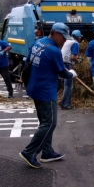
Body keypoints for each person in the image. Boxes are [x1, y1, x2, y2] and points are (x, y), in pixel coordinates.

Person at [19, 23, 77, 169]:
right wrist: (71, 74)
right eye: (63, 37)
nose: (64, 41)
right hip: (46, 91)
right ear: (56, 33)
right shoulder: (53, 51)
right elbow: (63, 73)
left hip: (34, 88)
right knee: (50, 123)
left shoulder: (38, 43)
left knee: (45, 122)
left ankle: (47, 152)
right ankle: (29, 152)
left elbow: (28, 62)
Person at [60, 30, 82, 110]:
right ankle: (65, 104)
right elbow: (73, 57)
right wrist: (78, 60)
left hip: (62, 63)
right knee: (68, 85)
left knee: (65, 84)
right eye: (80, 36)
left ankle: (63, 102)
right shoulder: (75, 43)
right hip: (67, 64)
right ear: (78, 37)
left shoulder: (68, 40)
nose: (80, 38)